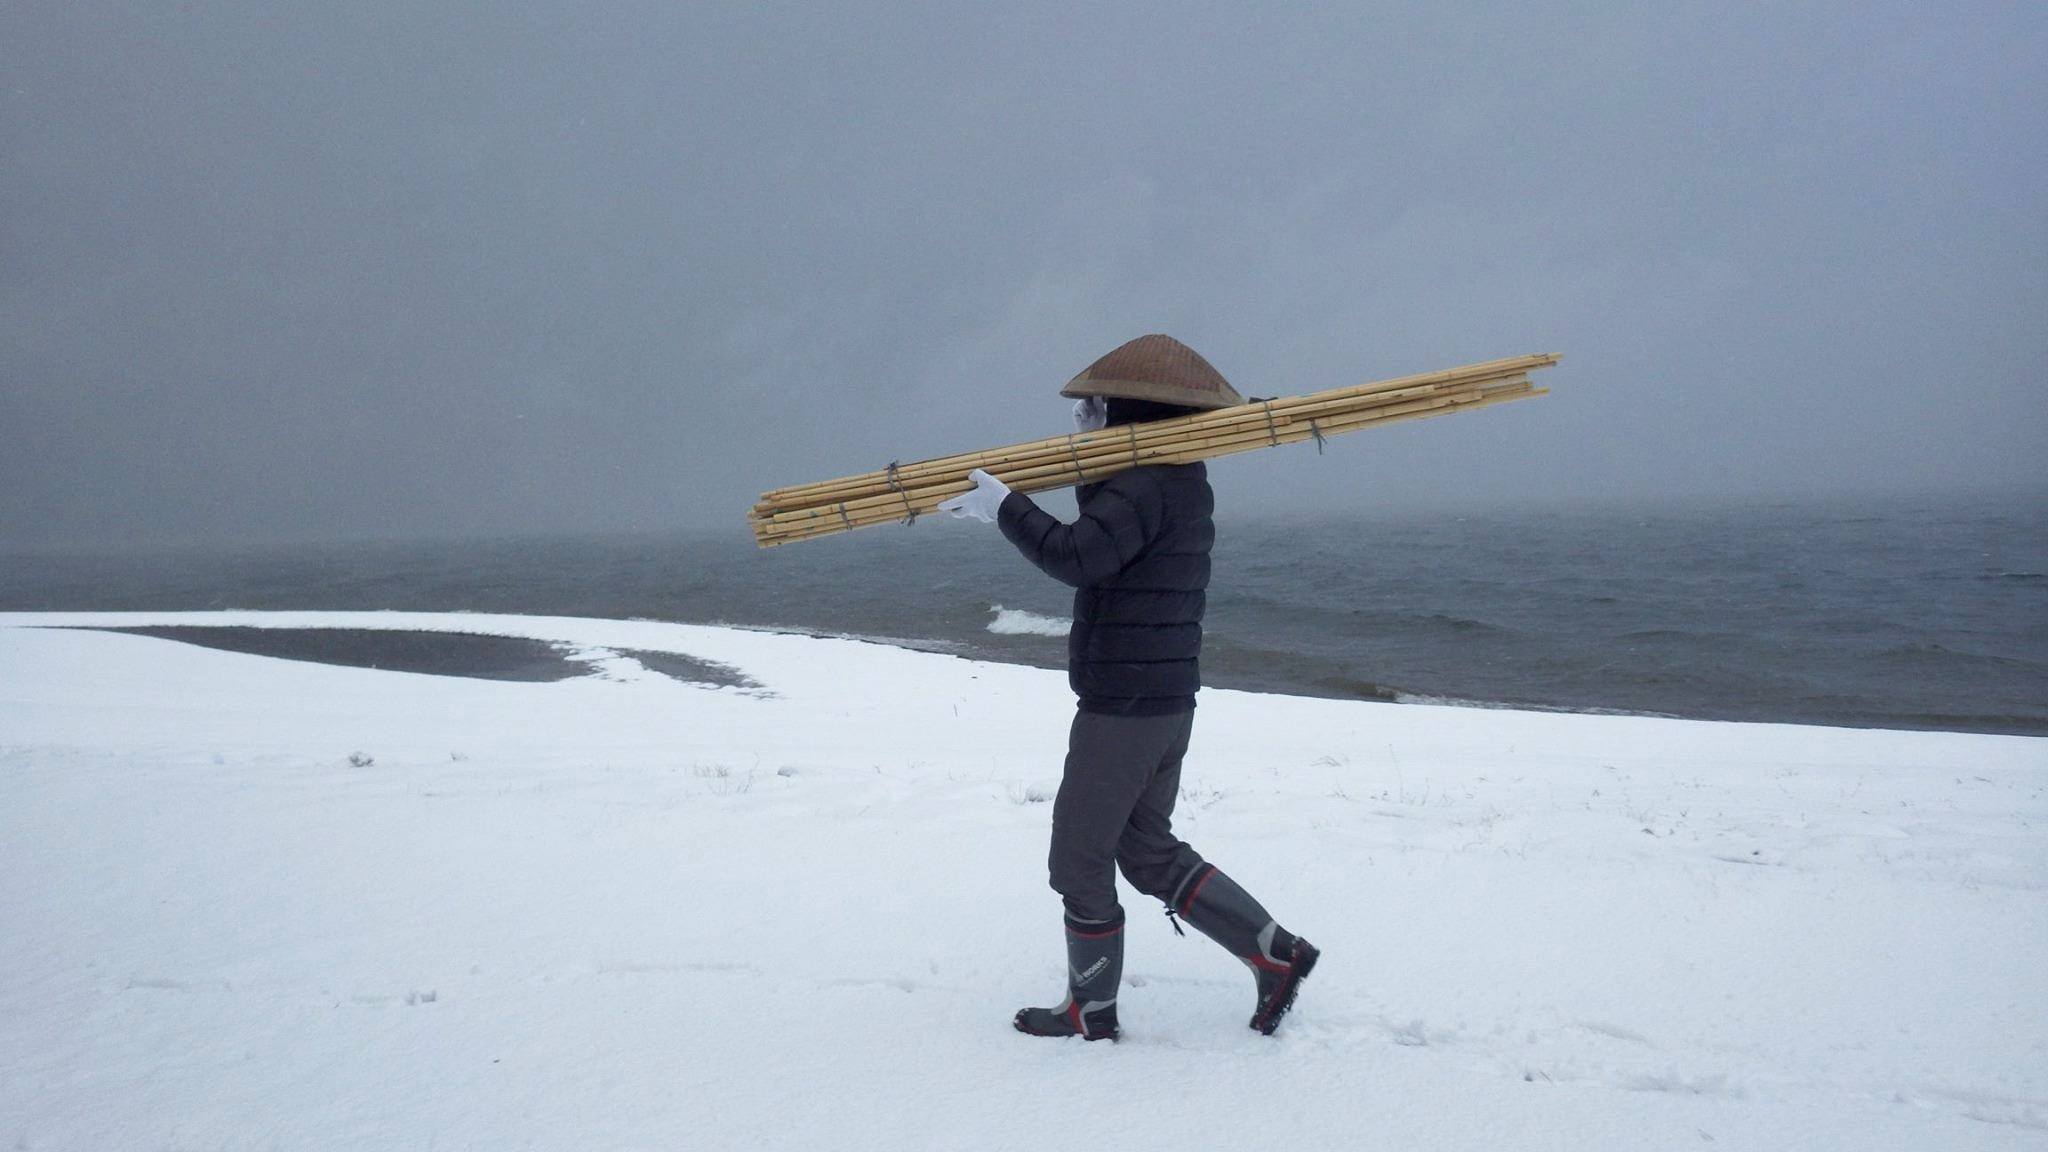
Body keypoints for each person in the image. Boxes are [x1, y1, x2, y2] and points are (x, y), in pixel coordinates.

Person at [938, 334, 1318, 1041]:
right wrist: (1019, 505)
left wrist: (1005, 509)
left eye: (1096, 409)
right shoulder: (1178, 475)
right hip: (1165, 701)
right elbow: (1114, 543)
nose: (1086, 419)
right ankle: (1277, 955)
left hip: (1126, 706)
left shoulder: (1147, 483)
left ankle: (1093, 1008)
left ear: (1126, 410)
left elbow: (1081, 554)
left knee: (1078, 856)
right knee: (1144, 850)